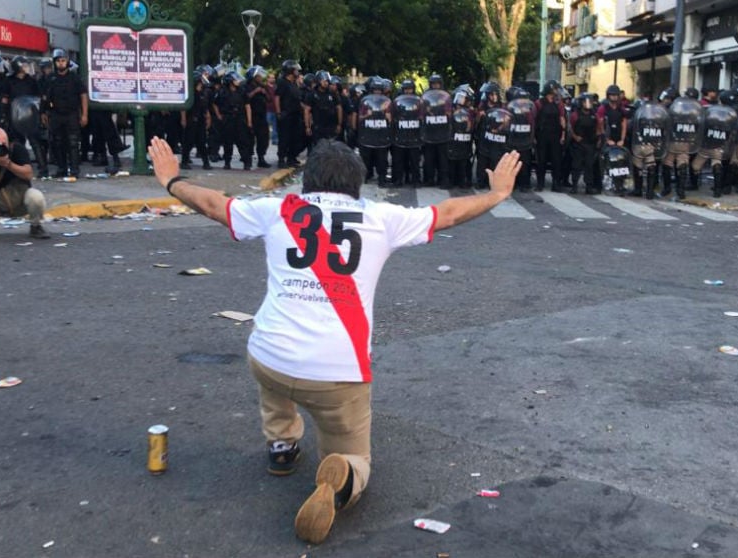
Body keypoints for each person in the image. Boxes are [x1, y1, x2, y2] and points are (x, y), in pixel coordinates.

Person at [146, 136, 521, 545]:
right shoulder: (381, 218)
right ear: (357, 185)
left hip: (268, 355)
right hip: (336, 374)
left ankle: (282, 447)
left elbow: (214, 204)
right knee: (355, 454)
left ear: (306, 182)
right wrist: (498, 193)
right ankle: (342, 477)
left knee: (275, 379)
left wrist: (171, 180)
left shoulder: (277, 211)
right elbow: (447, 213)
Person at [0, 127, 50, 238]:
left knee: (36, 197)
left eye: (3, 143)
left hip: (20, 200)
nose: (0, 147)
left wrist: (8, 164)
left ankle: (36, 226)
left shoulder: (16, 149)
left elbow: (28, 174)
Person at [43, 49, 87, 179]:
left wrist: (84, 114)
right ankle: (61, 168)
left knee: (73, 143)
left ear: (67, 62)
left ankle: (74, 170)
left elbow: (83, 95)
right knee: (57, 142)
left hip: (72, 114)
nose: (61, 63)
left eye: (63, 61)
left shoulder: (75, 78)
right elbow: (45, 97)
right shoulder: (51, 78)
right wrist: (43, 112)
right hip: (56, 114)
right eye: (58, 61)